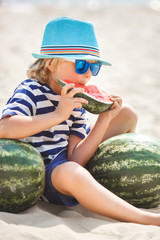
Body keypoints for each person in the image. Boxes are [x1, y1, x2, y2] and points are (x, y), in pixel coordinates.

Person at [0, 17, 159, 226]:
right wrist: (57, 115)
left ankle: (106, 182)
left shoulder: (77, 101)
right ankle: (146, 218)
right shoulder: (30, 91)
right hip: (43, 176)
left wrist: (104, 119)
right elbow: (5, 128)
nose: (87, 76)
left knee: (126, 114)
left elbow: (75, 158)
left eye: (94, 68)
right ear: (50, 63)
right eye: (81, 65)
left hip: (70, 166)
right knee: (69, 171)